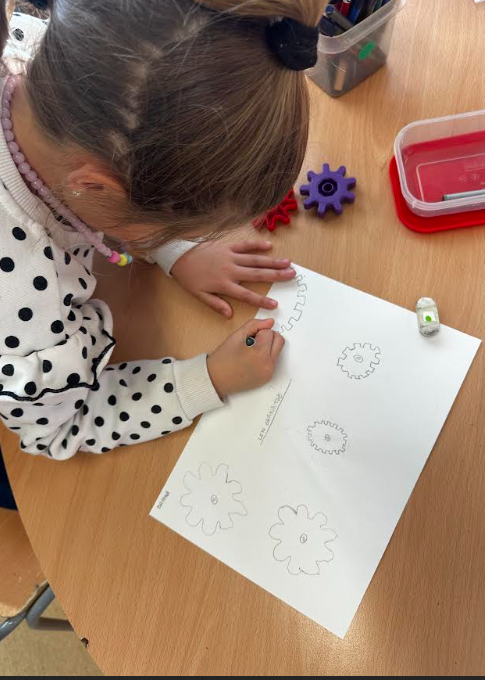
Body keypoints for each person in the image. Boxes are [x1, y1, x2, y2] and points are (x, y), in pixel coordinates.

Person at [0, 0, 322, 461]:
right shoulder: (26, 305)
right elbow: (60, 429)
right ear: (94, 187)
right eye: (169, 228)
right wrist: (208, 379)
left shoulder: (52, 60)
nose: (174, 237)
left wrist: (173, 249)